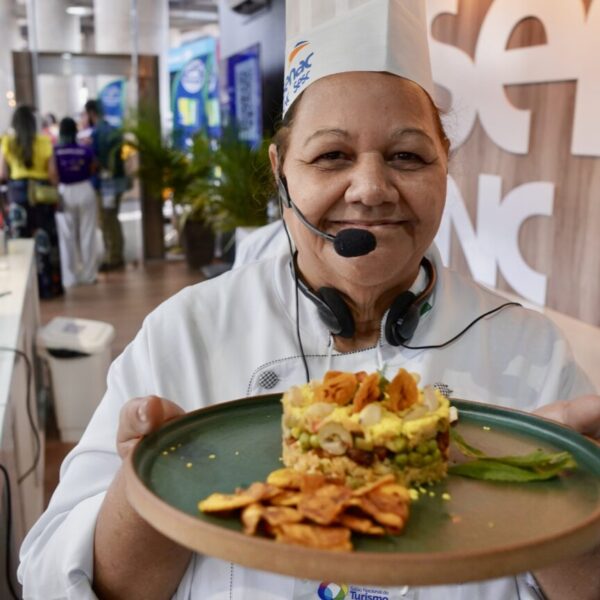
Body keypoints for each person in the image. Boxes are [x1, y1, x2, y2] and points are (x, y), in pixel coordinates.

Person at [18, 2, 600, 599]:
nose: (371, 190)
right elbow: (52, 580)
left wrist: (556, 496)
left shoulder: (532, 351)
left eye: (408, 156)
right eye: (331, 156)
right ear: (281, 171)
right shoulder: (186, 333)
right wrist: (153, 490)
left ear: (445, 164)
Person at [0, 105, 63, 298]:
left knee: (19, 245)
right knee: (44, 241)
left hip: (17, 197)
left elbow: (2, 173)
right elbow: (53, 175)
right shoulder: (44, 141)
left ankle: (23, 292)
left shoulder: (8, 142)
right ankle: (48, 287)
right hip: (40, 198)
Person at [50, 116, 98, 288]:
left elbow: (53, 175)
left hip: (65, 191)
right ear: (75, 131)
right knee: (87, 233)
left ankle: (69, 278)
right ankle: (90, 274)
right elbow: (93, 168)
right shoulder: (85, 149)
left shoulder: (55, 150)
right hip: (85, 189)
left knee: (66, 236)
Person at [82, 98, 127, 271]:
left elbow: (97, 161)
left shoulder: (97, 133)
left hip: (106, 184)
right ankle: (117, 253)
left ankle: (113, 256)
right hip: (118, 181)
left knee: (107, 220)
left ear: (91, 113)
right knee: (113, 218)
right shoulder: (114, 129)